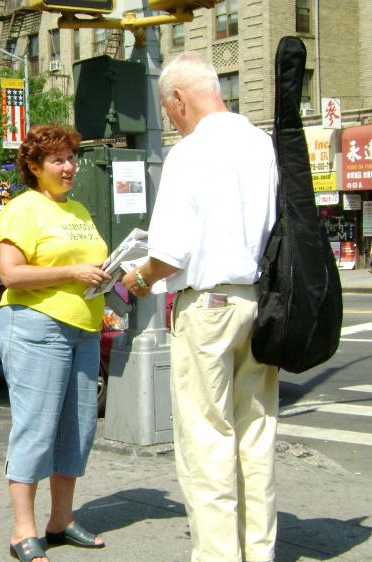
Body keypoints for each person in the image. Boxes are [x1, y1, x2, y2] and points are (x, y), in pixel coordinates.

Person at [122, 53, 279, 562]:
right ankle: (259, 551)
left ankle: (217, 555)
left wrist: (138, 277)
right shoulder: (262, 145)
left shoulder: (189, 153)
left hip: (206, 308)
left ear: (179, 99)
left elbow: (169, 253)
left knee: (206, 440)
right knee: (255, 434)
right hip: (259, 301)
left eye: (169, 109)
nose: (171, 118)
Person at [0, 124, 110, 562]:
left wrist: (115, 278)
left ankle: (60, 520)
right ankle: (22, 530)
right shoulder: (22, 210)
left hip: (84, 327)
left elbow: (91, 263)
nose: (69, 167)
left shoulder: (79, 210)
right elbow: (11, 274)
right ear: (34, 167)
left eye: (71, 158)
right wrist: (73, 274)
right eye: (58, 160)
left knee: (78, 429)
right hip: (36, 327)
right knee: (37, 427)